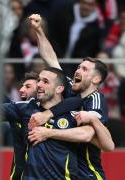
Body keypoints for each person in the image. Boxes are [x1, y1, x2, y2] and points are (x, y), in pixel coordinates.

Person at [0, 66, 84, 179]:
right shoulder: (25, 108)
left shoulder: (73, 112)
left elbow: (88, 135)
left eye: (45, 82)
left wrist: (50, 133)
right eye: (39, 81)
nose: (39, 85)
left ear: (59, 89)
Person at [28, 14, 114, 179]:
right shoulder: (69, 89)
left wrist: (47, 132)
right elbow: (50, 59)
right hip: (67, 173)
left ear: (96, 79)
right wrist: (38, 30)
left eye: (84, 69)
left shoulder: (95, 100)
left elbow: (87, 134)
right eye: (78, 67)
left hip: (89, 175)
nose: (77, 71)